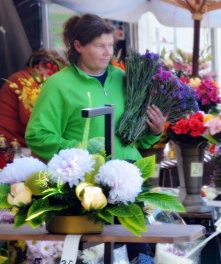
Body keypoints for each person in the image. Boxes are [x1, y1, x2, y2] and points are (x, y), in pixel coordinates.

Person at [25, 13, 166, 161]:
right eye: (100, 46)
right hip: (88, 178)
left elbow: (138, 141)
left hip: (130, 173)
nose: (108, 53)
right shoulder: (58, 85)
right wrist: (82, 151)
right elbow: (37, 136)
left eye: (110, 45)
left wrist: (154, 131)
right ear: (78, 46)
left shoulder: (123, 77)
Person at [0, 48, 66, 147]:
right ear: (42, 65)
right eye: (56, 72)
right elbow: (33, 121)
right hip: (9, 145)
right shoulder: (25, 81)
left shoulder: (24, 79)